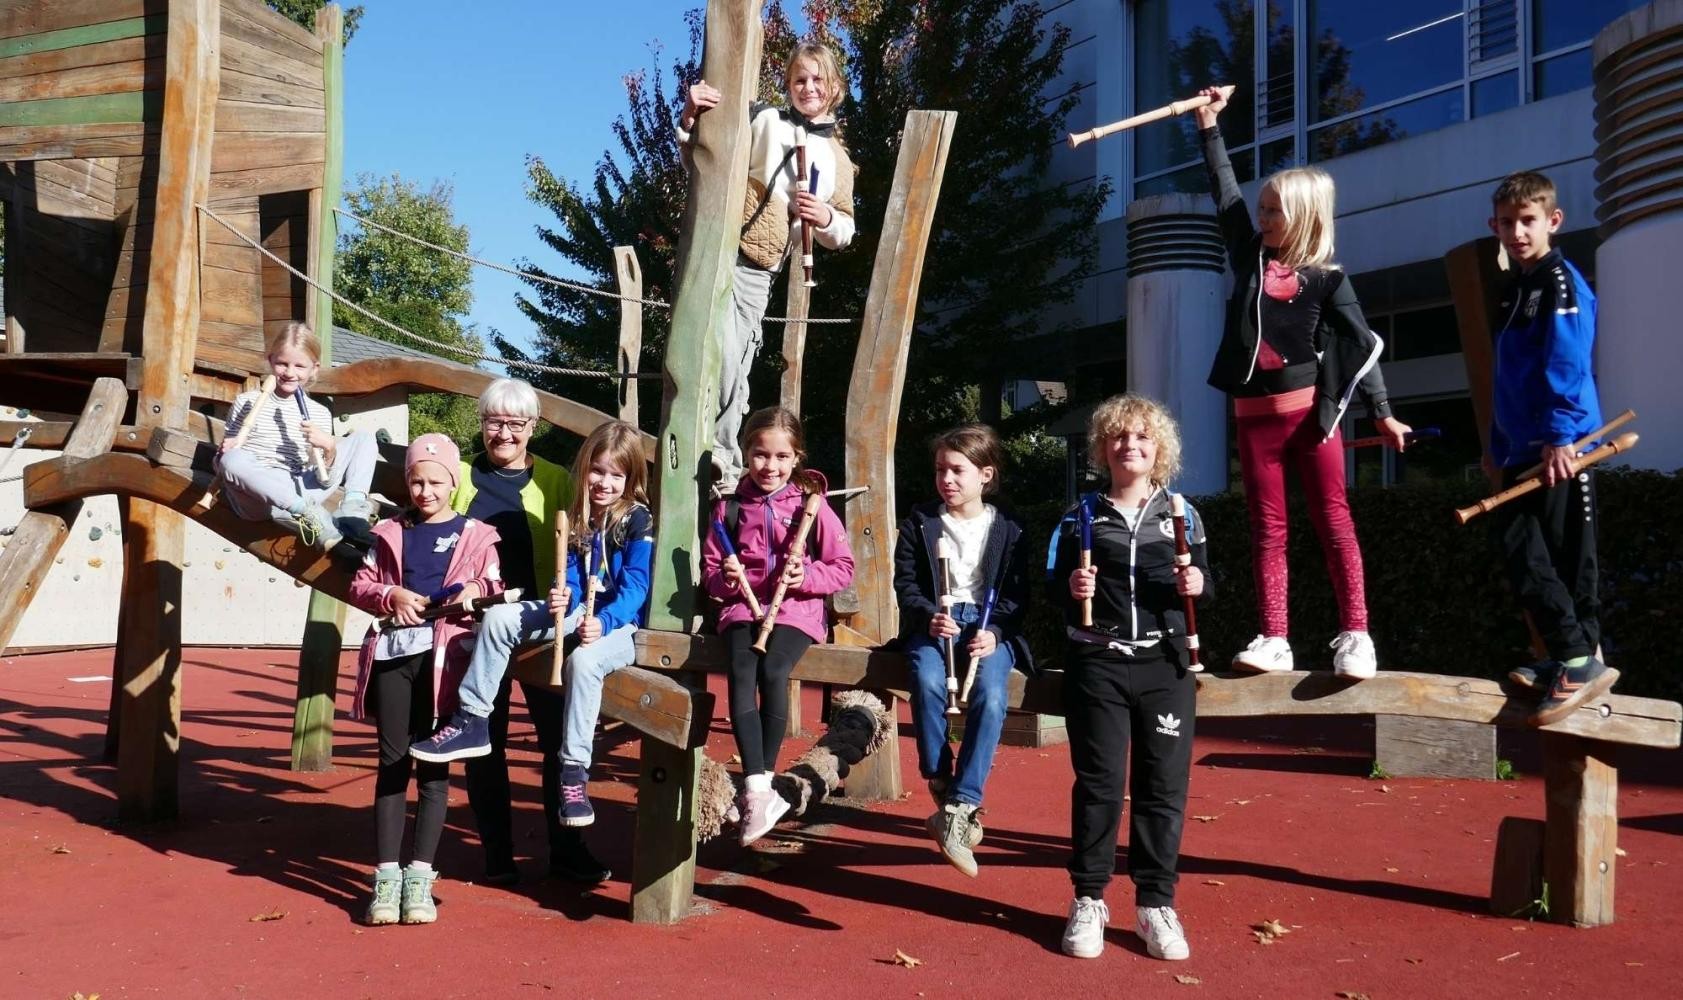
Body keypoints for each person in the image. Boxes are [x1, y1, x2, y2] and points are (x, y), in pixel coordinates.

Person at [1194, 87, 1411, 678]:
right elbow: (1225, 193)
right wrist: (1209, 126)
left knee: (1333, 520)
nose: (1263, 219)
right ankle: (1274, 637)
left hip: (1312, 417)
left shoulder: (1327, 278)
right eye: (1262, 209)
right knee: (1268, 529)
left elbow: (1364, 343)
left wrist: (1383, 411)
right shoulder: (1248, 256)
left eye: (1274, 211)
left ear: (1305, 217)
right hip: (1253, 419)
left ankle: (1357, 634)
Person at [412, 420, 652, 836]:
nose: (604, 482)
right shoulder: (579, 513)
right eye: (597, 471)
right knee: (499, 616)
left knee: (584, 663)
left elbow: (636, 586)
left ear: (630, 480)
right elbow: (572, 576)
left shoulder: (637, 519)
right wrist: (565, 596)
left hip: (620, 624)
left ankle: (574, 770)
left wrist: (604, 621)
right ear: (584, 469)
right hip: (582, 610)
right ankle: (472, 719)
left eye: (616, 475)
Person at [415, 379, 607, 886]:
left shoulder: (557, 480)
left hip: (542, 625)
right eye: (493, 422)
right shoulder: (459, 475)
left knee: (556, 739)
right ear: (481, 424)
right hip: (476, 627)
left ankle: (567, 850)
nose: (503, 433)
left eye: (515, 423)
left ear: (532, 427)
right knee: (483, 741)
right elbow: (430, 526)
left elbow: (587, 540)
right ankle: (497, 854)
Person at [1053, 395, 1210, 962]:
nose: (1130, 445)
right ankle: (1089, 899)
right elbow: (1053, 588)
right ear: (1103, 448)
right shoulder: (1079, 515)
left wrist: (1198, 585)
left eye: (1142, 436)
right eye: (1119, 436)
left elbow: (1207, 583)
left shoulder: (1183, 514)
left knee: (1162, 786)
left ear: (1158, 447)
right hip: (1098, 661)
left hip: (1166, 664)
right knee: (1099, 784)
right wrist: (1072, 589)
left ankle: (1155, 904)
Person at [681, 41, 857, 490]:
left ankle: (721, 457)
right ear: (788, 84)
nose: (808, 87)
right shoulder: (764, 120)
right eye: (799, 79)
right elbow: (703, 158)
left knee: (732, 357)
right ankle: (708, 452)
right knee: (697, 350)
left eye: (817, 79)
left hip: (758, 265)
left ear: (835, 86)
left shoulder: (837, 159)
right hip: (716, 244)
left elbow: (844, 229)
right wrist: (691, 117)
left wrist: (823, 216)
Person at [346, 433, 503, 925]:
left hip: (446, 661)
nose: (425, 491)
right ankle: (386, 879)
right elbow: (360, 585)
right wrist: (390, 595)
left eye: (436, 482)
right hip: (395, 656)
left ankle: (419, 879)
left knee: (434, 769)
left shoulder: (476, 535)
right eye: (417, 482)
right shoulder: (389, 531)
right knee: (392, 762)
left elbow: (494, 583)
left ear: (453, 483)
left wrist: (472, 588)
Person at [1484, 170, 1618, 726]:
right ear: (1494, 226)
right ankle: (1571, 656)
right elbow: (1508, 378)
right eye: (1507, 223)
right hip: (1523, 449)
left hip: (1564, 446)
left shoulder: (1560, 282)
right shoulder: (1516, 288)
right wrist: (1497, 446)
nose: (1517, 232)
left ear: (1553, 221)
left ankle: (1577, 657)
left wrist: (1561, 437)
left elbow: (1567, 361)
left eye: (1528, 220)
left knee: (1556, 556)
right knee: (1532, 556)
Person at [700, 406, 854, 845]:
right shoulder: (728, 508)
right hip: (742, 608)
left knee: (773, 670)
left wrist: (808, 576)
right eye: (761, 455)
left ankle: (757, 788)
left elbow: (842, 567)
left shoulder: (811, 506)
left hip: (795, 611)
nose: (771, 466)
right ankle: (758, 787)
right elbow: (711, 571)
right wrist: (726, 578)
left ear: (796, 457)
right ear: (746, 453)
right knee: (740, 672)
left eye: (782, 457)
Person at [891, 423, 1032, 878]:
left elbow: (1019, 594)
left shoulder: (1009, 526)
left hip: (989, 627)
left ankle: (961, 805)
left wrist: (998, 631)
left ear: (985, 475)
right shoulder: (920, 521)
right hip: (937, 622)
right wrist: (927, 614)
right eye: (940, 470)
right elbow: (906, 583)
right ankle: (939, 777)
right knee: (928, 679)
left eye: (957, 470)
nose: (946, 479)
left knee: (991, 695)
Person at [216, 321, 378, 549]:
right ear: (270, 360)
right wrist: (223, 452)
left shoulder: (318, 413)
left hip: (300, 488)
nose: (290, 373)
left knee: (363, 439)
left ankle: (352, 511)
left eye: (300, 366)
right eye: (282, 364)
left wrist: (329, 450)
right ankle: (305, 513)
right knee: (232, 460)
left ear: (314, 368)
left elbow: (324, 480)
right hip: (259, 500)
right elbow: (223, 468)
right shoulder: (246, 402)